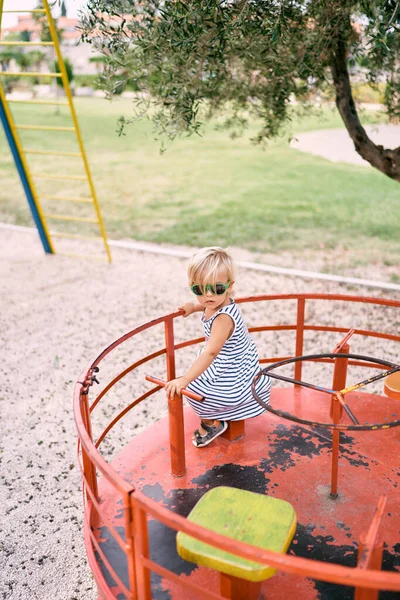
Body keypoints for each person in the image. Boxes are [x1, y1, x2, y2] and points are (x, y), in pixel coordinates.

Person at [165, 246, 271, 448]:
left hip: (233, 367)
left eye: (217, 289)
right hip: (228, 358)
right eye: (199, 290)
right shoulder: (216, 302)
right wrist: (192, 306)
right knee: (198, 376)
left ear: (230, 286)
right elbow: (207, 304)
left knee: (196, 390)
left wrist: (185, 379)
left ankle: (212, 423)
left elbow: (211, 352)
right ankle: (217, 417)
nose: (208, 296)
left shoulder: (223, 318)